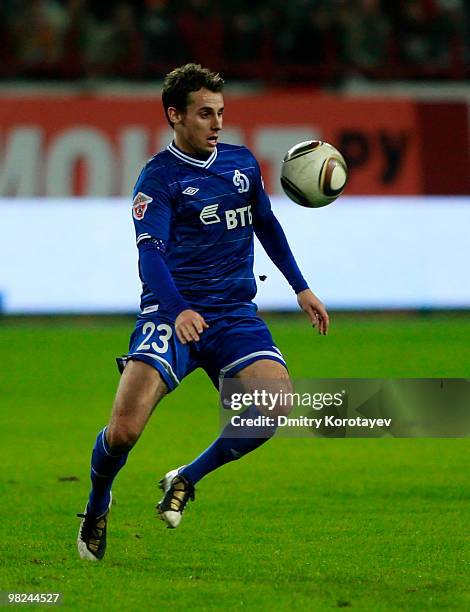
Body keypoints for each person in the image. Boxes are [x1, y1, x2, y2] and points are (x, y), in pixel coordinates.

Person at [77, 63, 329, 561]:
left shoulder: (240, 163)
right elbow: (150, 256)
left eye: (220, 113)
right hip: (169, 315)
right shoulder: (159, 178)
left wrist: (301, 287)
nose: (217, 124)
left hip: (234, 315)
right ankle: (97, 502)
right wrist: (177, 310)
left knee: (272, 405)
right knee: (124, 431)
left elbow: (267, 224)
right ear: (175, 116)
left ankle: (185, 477)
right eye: (204, 114)